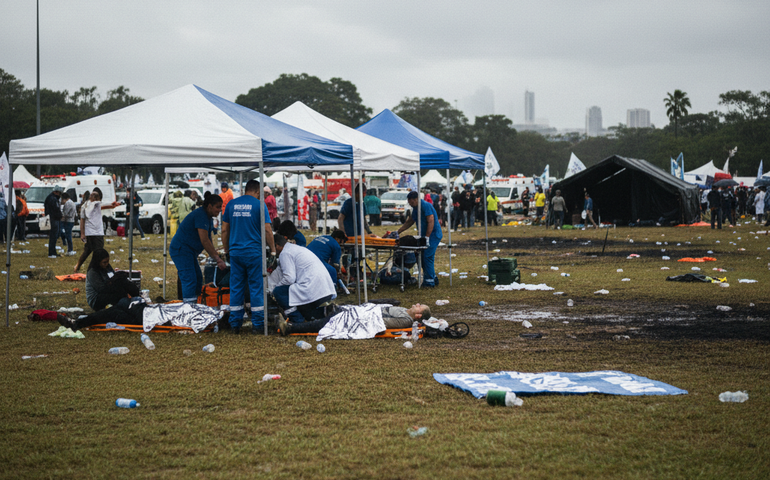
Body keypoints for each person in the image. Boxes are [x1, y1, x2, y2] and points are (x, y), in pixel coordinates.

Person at [222, 179, 276, 334]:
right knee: (256, 287)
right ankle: (258, 325)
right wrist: (272, 250)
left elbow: (225, 230)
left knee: (236, 287)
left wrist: (227, 251)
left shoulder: (231, 204)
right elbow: (267, 229)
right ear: (258, 191)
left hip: (236, 253)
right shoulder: (260, 205)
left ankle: (235, 324)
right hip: (254, 253)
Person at [170, 194, 226, 304]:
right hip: (181, 249)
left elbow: (209, 240)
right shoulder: (201, 215)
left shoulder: (208, 217)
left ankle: (196, 302)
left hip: (190, 251)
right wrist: (217, 259)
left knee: (198, 278)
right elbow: (204, 240)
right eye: (218, 207)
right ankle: (189, 308)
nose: (220, 210)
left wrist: (215, 253)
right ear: (209, 206)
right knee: (190, 279)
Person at [271, 233, 336, 324]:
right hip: (324, 288)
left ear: (277, 246)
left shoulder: (284, 253)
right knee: (307, 312)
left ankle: (297, 320)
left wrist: (276, 287)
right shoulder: (294, 248)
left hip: (311, 287)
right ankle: (315, 314)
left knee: (279, 291)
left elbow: (289, 278)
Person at [279, 303, 431, 336]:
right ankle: (292, 324)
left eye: (419, 307)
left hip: (364, 318)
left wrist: (360, 315)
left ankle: (290, 328)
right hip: (364, 311)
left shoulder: (405, 319)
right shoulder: (403, 310)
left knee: (326, 323)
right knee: (324, 315)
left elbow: (382, 322)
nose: (416, 304)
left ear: (418, 316)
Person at [397, 191, 443, 287]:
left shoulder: (425, 206)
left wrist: (427, 237)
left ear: (416, 199)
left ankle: (429, 282)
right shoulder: (415, 208)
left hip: (433, 234)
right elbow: (410, 221)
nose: (410, 204)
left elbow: (431, 221)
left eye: (411, 202)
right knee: (421, 256)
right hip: (424, 235)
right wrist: (398, 231)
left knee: (427, 256)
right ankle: (433, 277)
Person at [74, 189, 120, 272]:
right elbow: (104, 205)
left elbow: (82, 220)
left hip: (89, 233)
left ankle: (77, 266)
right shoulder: (96, 203)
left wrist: (82, 233)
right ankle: (94, 270)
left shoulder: (85, 206)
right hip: (97, 233)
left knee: (87, 251)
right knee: (99, 253)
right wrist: (113, 204)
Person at [44, 186, 63, 258]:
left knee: (53, 236)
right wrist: (60, 215)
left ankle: (53, 251)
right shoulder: (53, 199)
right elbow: (56, 209)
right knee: (53, 236)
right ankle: (52, 252)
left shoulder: (49, 198)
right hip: (54, 219)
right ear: (56, 192)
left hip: (51, 218)